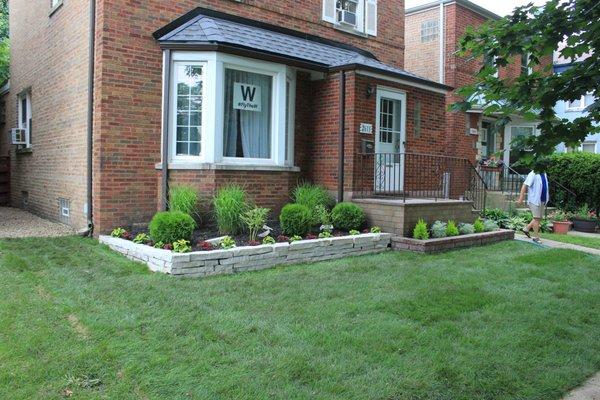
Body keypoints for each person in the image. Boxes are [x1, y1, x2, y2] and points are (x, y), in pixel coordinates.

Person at [517, 167, 549, 243]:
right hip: (534, 200)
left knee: (538, 218)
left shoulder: (544, 173)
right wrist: (521, 198)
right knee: (536, 218)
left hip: (542, 199)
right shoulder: (533, 173)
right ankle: (536, 237)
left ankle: (526, 229)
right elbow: (524, 185)